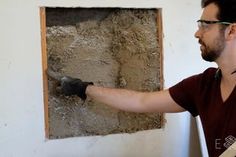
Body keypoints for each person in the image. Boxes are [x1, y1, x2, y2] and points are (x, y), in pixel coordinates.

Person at [56, 0, 236, 156]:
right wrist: (83, 88)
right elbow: (141, 101)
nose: (197, 34)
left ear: (231, 30)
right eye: (199, 25)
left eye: (205, 25)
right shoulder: (203, 85)